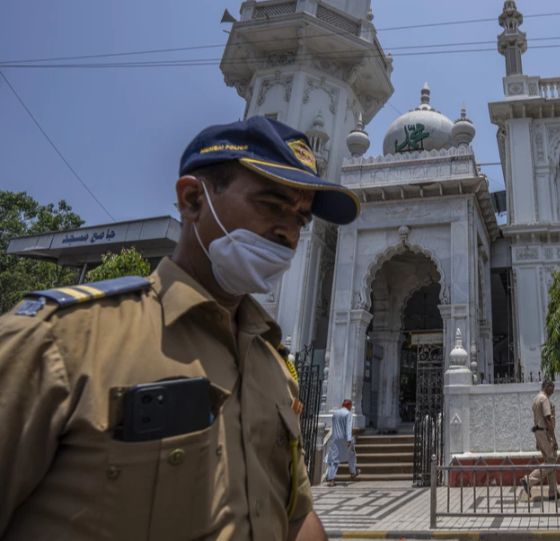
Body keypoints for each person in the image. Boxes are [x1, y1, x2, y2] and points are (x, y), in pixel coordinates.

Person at [0, 116, 360, 540]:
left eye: (300, 219)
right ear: (192, 200)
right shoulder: (59, 342)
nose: (287, 231)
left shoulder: (275, 368)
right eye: (271, 204)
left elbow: (295, 516)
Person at [520, 380, 560, 500]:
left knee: (550, 460)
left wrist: (537, 440)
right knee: (551, 461)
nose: (553, 390)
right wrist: (554, 438)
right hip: (545, 433)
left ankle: (552, 492)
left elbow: (536, 420)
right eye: (551, 387)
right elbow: (547, 419)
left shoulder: (536, 399)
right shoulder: (544, 399)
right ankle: (528, 480)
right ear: (546, 386)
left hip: (539, 432)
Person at [324, 399, 360, 486]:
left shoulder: (335, 413)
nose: (351, 407)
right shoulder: (348, 413)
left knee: (334, 459)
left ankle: (331, 479)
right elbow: (348, 426)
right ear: (349, 405)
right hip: (344, 439)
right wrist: (349, 439)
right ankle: (353, 472)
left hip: (335, 438)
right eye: (351, 406)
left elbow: (333, 425)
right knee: (351, 455)